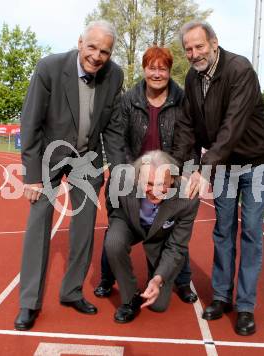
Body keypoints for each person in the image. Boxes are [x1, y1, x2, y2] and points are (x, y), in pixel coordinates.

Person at [14, 20, 125, 331]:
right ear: (80, 43)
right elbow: (30, 122)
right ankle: (29, 302)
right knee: (38, 226)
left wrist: (116, 169)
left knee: (85, 226)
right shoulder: (49, 68)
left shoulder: (114, 75)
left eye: (105, 51)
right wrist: (32, 177)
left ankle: (72, 291)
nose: (97, 56)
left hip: (86, 158)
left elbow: (114, 128)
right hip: (49, 154)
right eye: (91, 47)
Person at [172, 20, 264, 336]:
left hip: (254, 163)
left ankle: (245, 307)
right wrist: (175, 167)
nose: (193, 53)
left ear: (214, 43)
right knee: (223, 230)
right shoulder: (192, 78)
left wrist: (205, 166)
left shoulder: (239, 69)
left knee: (252, 234)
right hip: (224, 163)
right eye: (188, 48)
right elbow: (188, 125)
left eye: (199, 46)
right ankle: (220, 297)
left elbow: (232, 126)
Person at [94, 46, 198, 304]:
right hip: (135, 175)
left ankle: (182, 281)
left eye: (162, 68)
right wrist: (128, 173)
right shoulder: (128, 99)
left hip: (167, 177)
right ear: (144, 69)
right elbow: (119, 140)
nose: (157, 73)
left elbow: (187, 141)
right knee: (116, 229)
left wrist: (178, 174)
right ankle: (108, 278)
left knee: (172, 229)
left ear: (169, 71)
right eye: (152, 67)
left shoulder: (182, 100)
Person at [105, 150, 199, 323]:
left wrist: (158, 279)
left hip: (161, 235)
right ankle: (130, 297)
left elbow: (177, 246)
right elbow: (112, 204)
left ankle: (156, 279)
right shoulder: (120, 178)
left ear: (172, 179)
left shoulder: (188, 197)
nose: (155, 191)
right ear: (138, 177)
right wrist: (117, 223)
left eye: (161, 184)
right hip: (130, 223)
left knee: (158, 306)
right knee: (113, 241)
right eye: (148, 183)